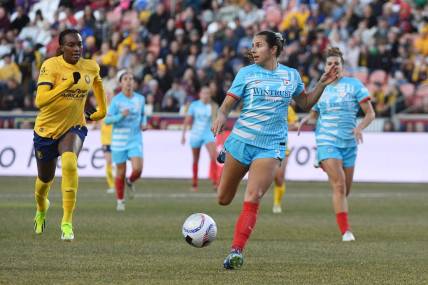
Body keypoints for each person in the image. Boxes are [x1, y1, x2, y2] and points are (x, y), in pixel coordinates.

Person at [211, 30, 339, 270]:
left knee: (253, 196)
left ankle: (236, 252)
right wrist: (220, 117)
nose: (253, 49)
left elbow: (306, 103)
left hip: (270, 146)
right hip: (241, 141)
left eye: (258, 45)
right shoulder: (246, 73)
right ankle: (227, 150)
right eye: (252, 45)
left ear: (273, 49)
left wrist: (322, 83)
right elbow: (227, 105)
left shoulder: (291, 76)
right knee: (223, 199)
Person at [33, 29, 107, 241]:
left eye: (79, 45)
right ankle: (41, 208)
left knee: (69, 163)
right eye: (71, 45)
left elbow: (98, 84)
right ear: (61, 48)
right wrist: (66, 84)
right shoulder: (50, 66)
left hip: (74, 126)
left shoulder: (90, 66)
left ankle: (66, 222)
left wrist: (102, 110)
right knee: (44, 179)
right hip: (46, 130)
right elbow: (40, 101)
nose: (76, 49)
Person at [299, 47, 375, 242]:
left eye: (337, 63)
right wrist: (304, 119)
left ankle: (328, 168)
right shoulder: (321, 88)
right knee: (339, 185)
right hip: (326, 140)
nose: (334, 67)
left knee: (344, 191)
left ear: (342, 66)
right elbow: (314, 114)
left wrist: (359, 128)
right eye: (330, 63)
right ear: (325, 67)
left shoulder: (354, 85)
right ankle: (346, 231)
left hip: (349, 144)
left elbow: (370, 113)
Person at [104, 70, 146, 211]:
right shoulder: (116, 100)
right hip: (119, 141)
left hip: (135, 139)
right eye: (126, 79)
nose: (129, 81)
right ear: (120, 82)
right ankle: (120, 201)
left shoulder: (140, 99)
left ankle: (130, 180)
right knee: (120, 172)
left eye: (131, 79)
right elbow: (108, 120)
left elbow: (143, 114)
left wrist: (144, 123)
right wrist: (121, 116)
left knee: (138, 169)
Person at [181, 85, 219, 192]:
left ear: (210, 95)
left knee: (213, 156)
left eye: (208, 93)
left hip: (208, 134)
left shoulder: (213, 106)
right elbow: (187, 120)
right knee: (195, 159)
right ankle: (194, 183)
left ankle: (216, 183)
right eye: (204, 93)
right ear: (200, 94)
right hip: (196, 134)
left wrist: (216, 130)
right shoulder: (194, 105)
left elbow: (216, 120)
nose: (206, 95)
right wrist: (183, 135)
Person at [272, 105, 299, 214]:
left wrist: (284, 126)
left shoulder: (287, 108)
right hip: (264, 146)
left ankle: (277, 203)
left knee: (279, 178)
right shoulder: (266, 104)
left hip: (282, 147)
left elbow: (296, 124)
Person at [100, 92, 115, 194]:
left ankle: (119, 183)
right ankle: (112, 185)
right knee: (108, 162)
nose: (108, 97)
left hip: (115, 139)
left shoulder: (115, 108)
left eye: (110, 95)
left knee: (118, 163)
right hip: (105, 140)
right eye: (106, 95)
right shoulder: (101, 108)